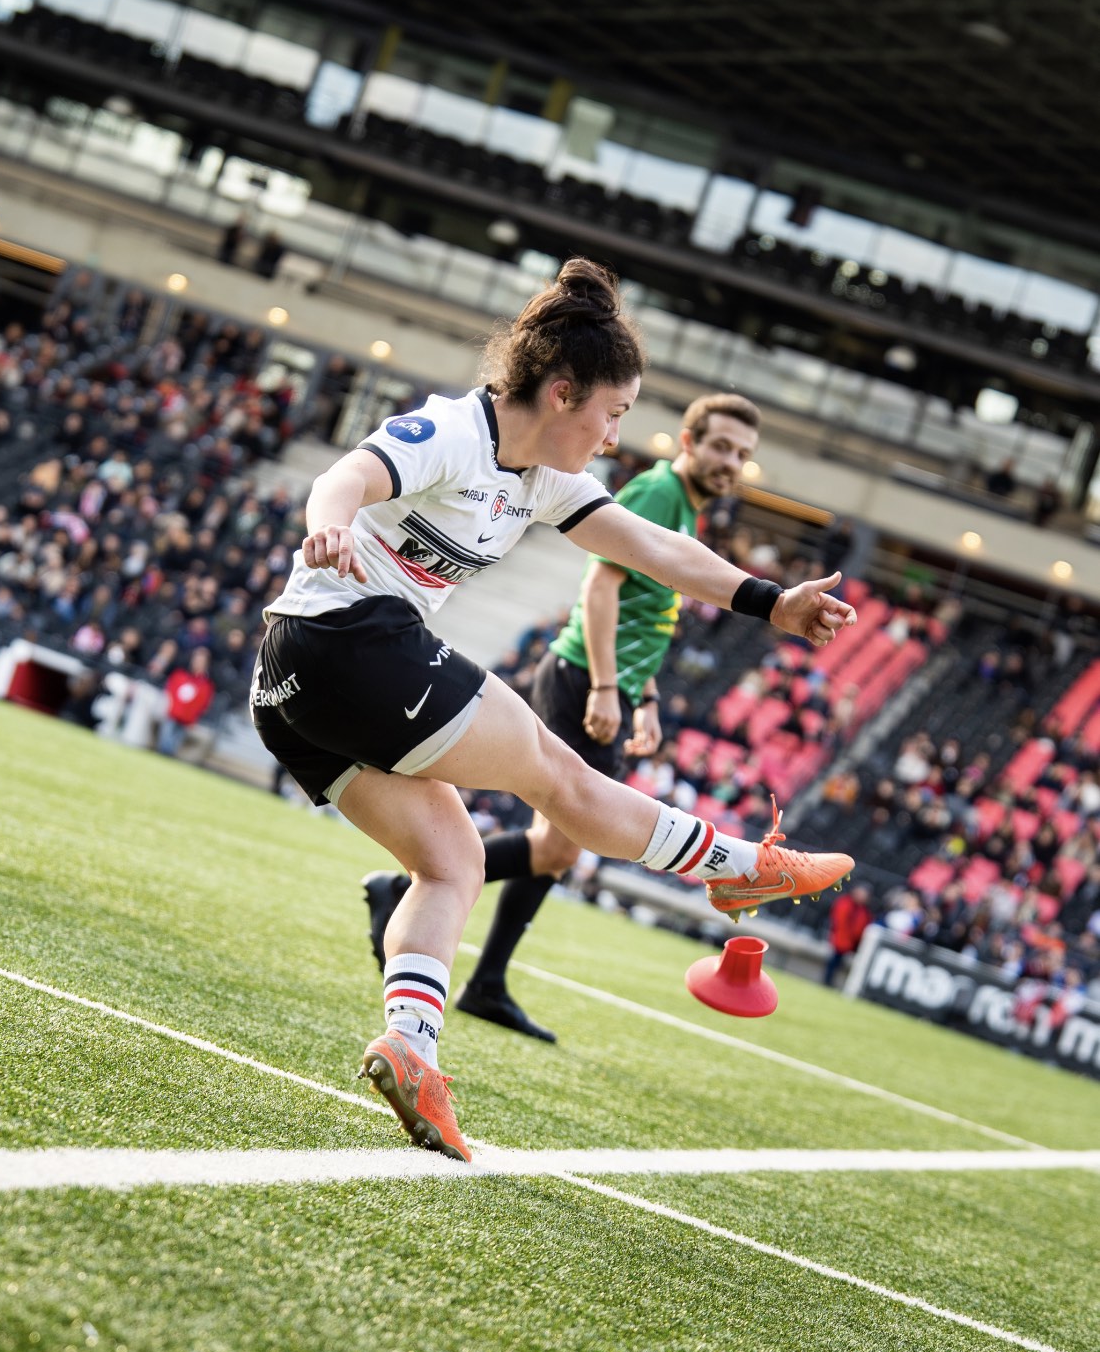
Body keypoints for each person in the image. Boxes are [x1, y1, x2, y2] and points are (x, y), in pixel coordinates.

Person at [249, 258, 856, 1163]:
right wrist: (330, 522)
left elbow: (654, 547)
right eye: (613, 414)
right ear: (563, 392)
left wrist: (773, 603)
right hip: (351, 640)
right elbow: (347, 475)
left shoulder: (543, 477)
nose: (616, 436)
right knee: (562, 781)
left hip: (287, 690)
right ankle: (742, 867)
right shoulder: (455, 431)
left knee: (451, 860)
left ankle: (411, 1051)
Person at [363, 390, 763, 1041]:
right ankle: (429, 913)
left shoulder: (683, 507)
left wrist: (646, 693)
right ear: (688, 443)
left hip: (605, 682)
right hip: (583, 678)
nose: (730, 461)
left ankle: (474, 962)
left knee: (556, 848)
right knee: (563, 840)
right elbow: (602, 586)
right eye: (720, 445)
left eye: (742, 454)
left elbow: (647, 612)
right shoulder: (660, 493)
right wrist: (607, 688)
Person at [823, 882, 873, 986]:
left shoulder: (862, 911)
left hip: (848, 941)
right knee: (833, 962)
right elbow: (839, 920)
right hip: (841, 939)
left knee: (836, 963)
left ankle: (829, 981)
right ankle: (827, 981)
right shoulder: (846, 903)